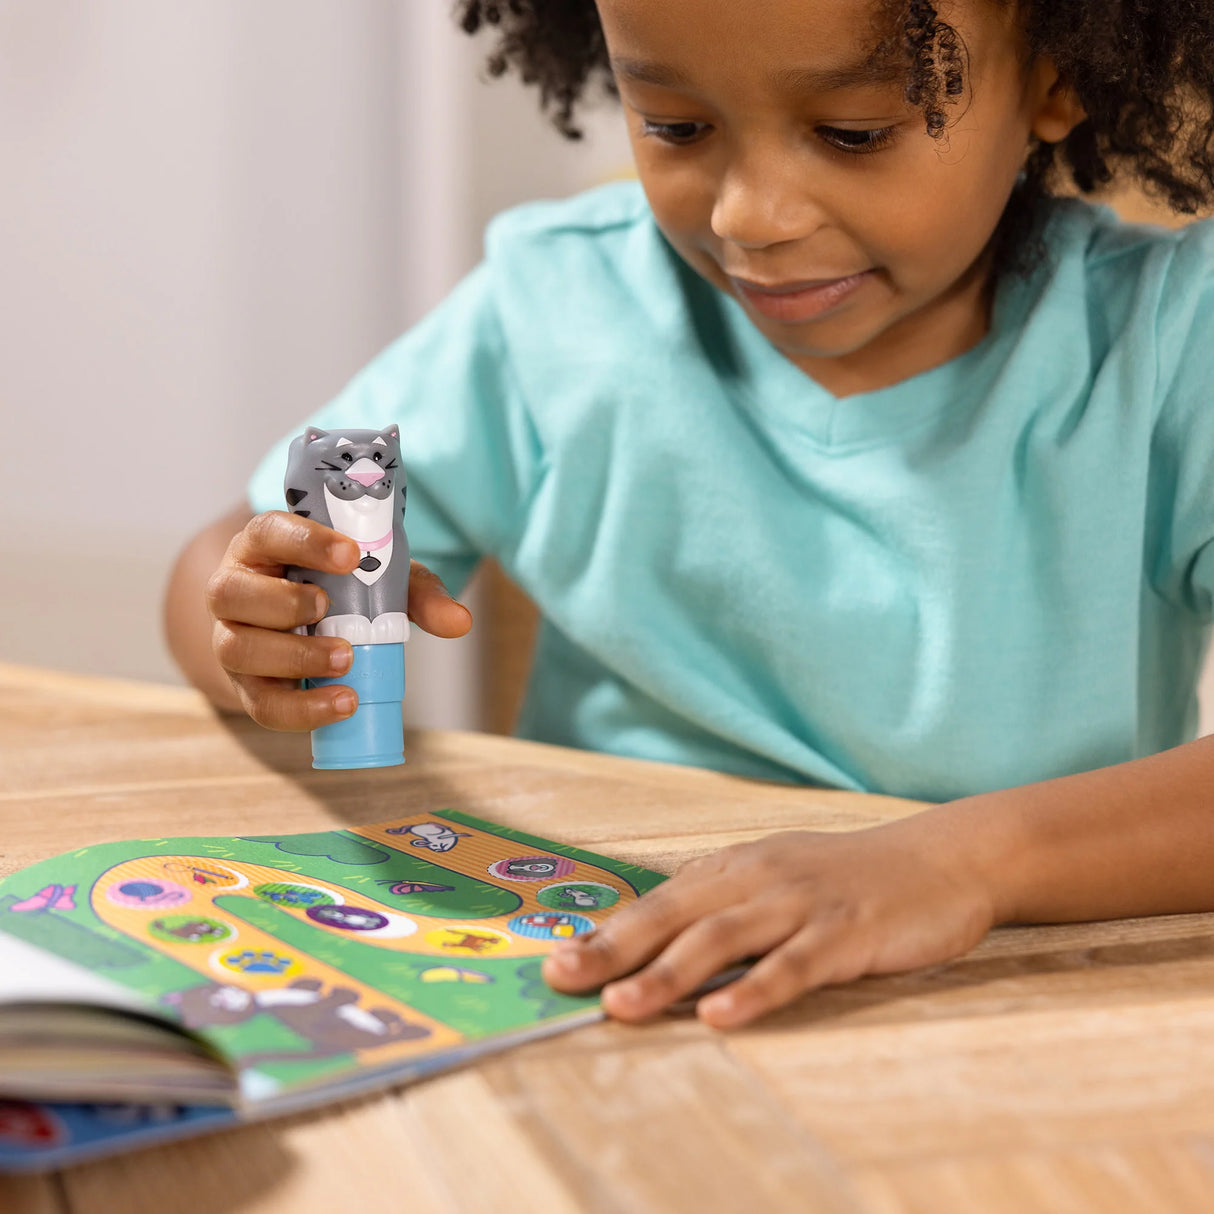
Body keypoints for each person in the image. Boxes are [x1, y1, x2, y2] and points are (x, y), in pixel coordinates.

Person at [164, 0, 1214, 1030]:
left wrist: (958, 864)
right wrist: (267, 626)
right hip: (602, 982)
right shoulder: (555, 303)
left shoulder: (1168, 348)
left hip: (1021, 999)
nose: (745, 217)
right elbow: (246, 546)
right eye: (672, 125)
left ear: (1053, 77)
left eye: (851, 133)